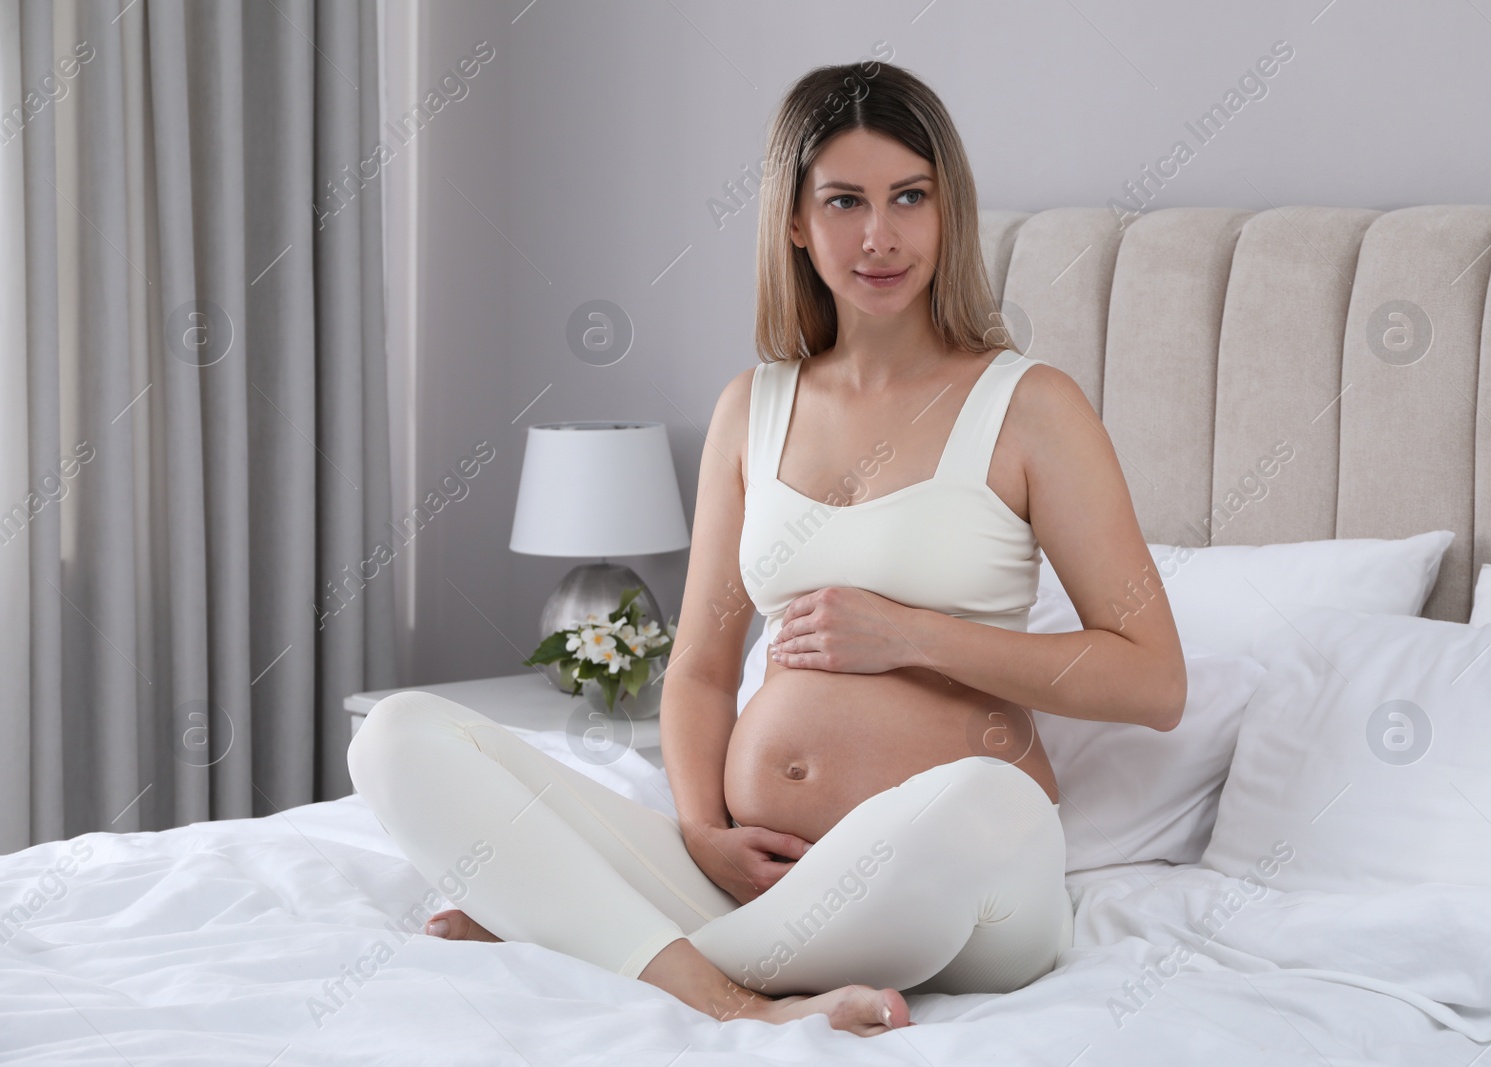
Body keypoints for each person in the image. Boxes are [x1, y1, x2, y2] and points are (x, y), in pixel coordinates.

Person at [347, 60, 1185, 1038]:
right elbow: (700, 669)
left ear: (947, 211)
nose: (880, 236)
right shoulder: (752, 408)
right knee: (397, 737)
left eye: (910, 197)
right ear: (793, 220)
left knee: (976, 798)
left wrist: (911, 634)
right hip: (751, 879)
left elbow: (1152, 681)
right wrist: (702, 831)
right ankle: (728, 989)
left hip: (970, 878)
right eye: (844, 201)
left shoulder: (1031, 407)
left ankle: (586, 928)